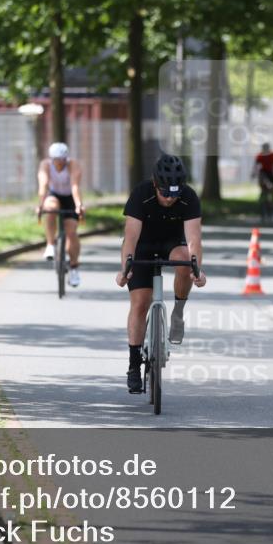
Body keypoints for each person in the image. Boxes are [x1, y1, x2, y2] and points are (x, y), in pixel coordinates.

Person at [116, 154, 207, 393]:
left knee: (185, 260)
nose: (170, 199)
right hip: (143, 245)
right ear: (155, 185)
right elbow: (131, 236)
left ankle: (178, 312)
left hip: (172, 243)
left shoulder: (188, 198)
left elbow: (194, 239)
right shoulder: (140, 194)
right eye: (165, 193)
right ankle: (134, 365)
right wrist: (126, 268)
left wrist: (197, 269)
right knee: (140, 303)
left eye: (175, 194)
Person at [36, 142, 85, 287]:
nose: (60, 163)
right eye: (56, 159)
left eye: (63, 159)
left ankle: (74, 268)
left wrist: (78, 205)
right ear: (51, 159)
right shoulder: (45, 165)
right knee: (50, 208)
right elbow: (43, 185)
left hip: (70, 198)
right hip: (54, 195)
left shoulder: (73, 165)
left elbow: (75, 186)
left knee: (71, 232)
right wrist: (40, 205)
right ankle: (50, 244)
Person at [252, 142, 273, 208]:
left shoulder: (272, 155)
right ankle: (263, 200)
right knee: (264, 186)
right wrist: (254, 173)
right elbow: (256, 165)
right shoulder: (259, 155)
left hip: (270, 173)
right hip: (264, 173)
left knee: (272, 189)